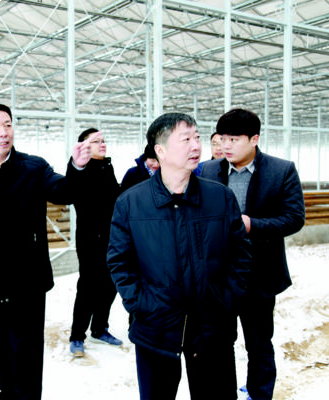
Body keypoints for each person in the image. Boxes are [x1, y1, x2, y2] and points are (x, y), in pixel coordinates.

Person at [0, 103, 92, 400]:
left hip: (28, 282)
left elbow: (64, 191)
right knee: (1, 355)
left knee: (27, 357)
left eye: (8, 125)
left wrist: (77, 167)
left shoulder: (33, 168)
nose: (4, 132)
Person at [107, 112, 252, 400]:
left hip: (212, 326)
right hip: (156, 328)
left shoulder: (220, 197)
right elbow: (119, 261)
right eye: (185, 139)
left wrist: (226, 300)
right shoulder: (131, 202)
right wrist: (141, 304)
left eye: (197, 137)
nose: (196, 145)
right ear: (160, 151)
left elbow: (240, 255)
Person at [200, 108, 305, 400]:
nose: (226, 146)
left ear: (254, 139)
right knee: (220, 342)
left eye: (234, 139)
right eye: (222, 139)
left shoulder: (281, 170)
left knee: (258, 344)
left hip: (259, 276)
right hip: (219, 277)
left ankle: (260, 395)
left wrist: (252, 225)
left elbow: (294, 218)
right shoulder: (209, 170)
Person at [68, 128, 122, 357]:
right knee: (88, 288)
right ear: (84, 146)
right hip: (90, 240)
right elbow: (71, 189)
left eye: (103, 140)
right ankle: (77, 336)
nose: (102, 144)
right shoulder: (81, 169)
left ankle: (99, 328)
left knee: (110, 285)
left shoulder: (107, 167)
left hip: (112, 238)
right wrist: (76, 165)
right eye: (96, 141)